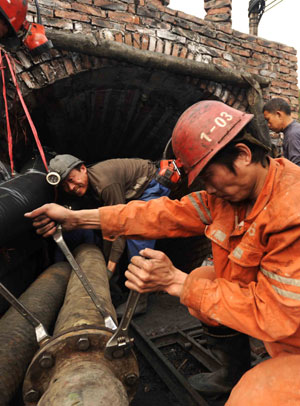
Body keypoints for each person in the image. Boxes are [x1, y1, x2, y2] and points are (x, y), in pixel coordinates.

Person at [25, 100, 300, 405]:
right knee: (204, 278)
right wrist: (77, 218)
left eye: (208, 177)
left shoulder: (291, 210)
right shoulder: (227, 198)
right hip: (275, 323)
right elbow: (161, 214)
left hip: (292, 335)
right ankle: (231, 373)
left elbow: (278, 316)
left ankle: (250, 379)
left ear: (243, 155)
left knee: (253, 396)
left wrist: (175, 282)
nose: (207, 189)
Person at [46, 155, 171, 314]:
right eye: (65, 185)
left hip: (151, 185)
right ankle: (115, 292)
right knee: (106, 232)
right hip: (132, 192)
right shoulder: (89, 185)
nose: (71, 188)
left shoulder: (105, 184)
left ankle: (139, 300)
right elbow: (108, 227)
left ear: (83, 169)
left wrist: (109, 270)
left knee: (137, 234)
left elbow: (119, 226)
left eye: (71, 179)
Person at [263, 97, 300, 165]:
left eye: (268, 119)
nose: (268, 125)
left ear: (279, 115)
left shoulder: (292, 135)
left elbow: (297, 168)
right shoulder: (295, 129)